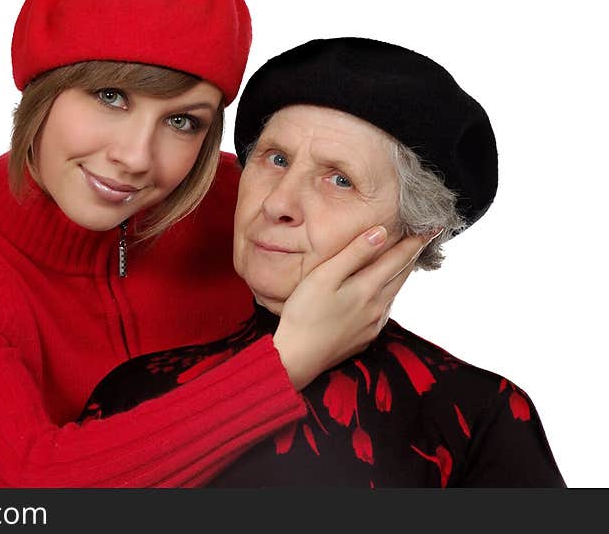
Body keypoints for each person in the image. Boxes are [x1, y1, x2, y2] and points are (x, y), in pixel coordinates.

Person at [0, 0, 428, 487]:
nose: (135, 158)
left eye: (182, 121)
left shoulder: (253, 206)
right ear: (42, 86)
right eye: (111, 97)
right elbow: (27, 496)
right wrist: (286, 364)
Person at [81, 37, 565, 487]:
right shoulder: (136, 390)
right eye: (275, 159)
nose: (277, 204)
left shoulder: (479, 416)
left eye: (339, 180)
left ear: (416, 233)